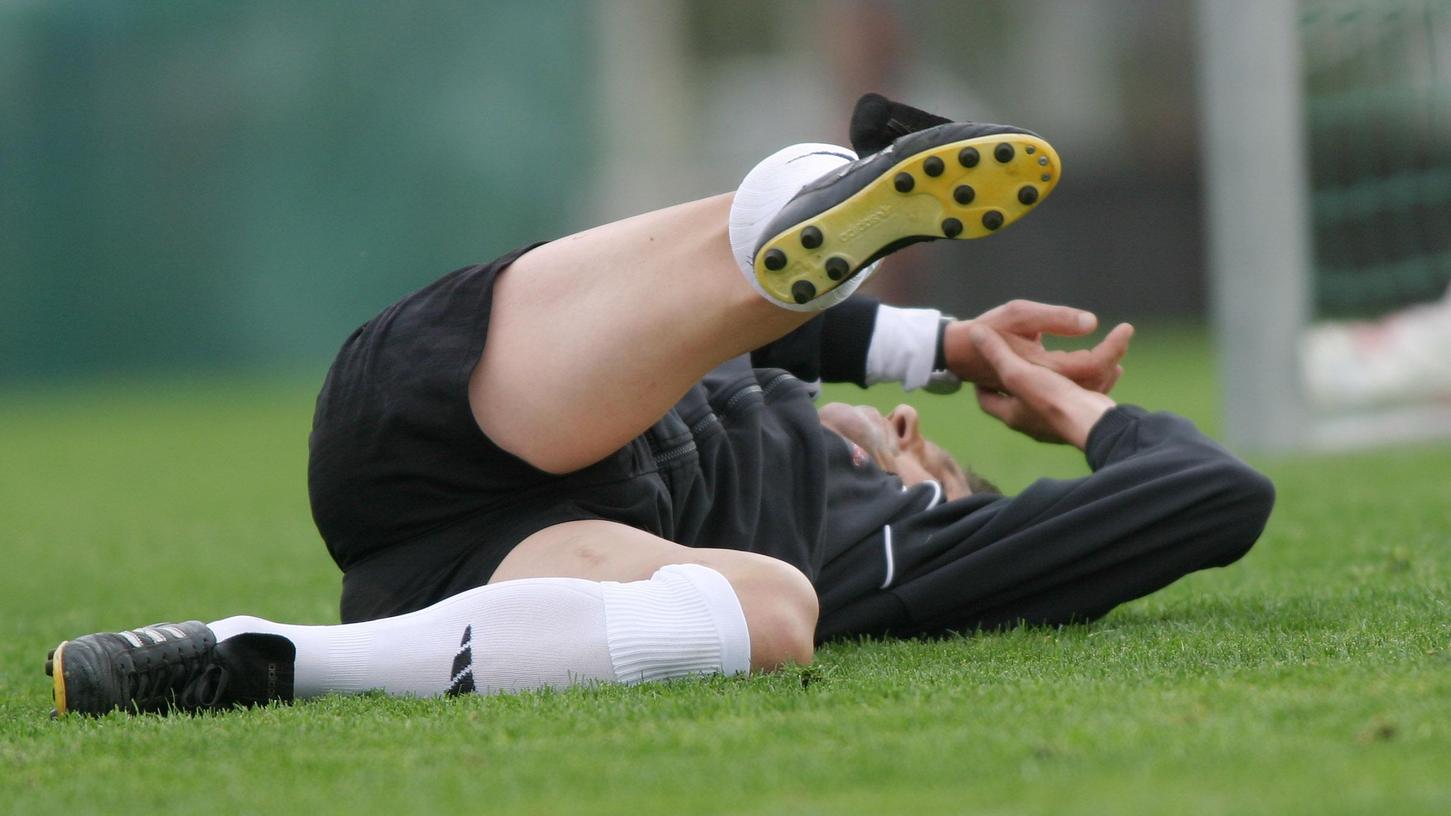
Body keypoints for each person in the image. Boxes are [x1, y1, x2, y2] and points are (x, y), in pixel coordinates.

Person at [45, 95, 1274, 716]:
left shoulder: (912, 554)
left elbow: (1214, 498)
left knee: (774, 610)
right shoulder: (752, 372)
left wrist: (1063, 411)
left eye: (938, 470)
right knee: (707, 318)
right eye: (925, 434)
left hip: (477, 576)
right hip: (470, 402)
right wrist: (948, 345)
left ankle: (261, 658)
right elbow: (782, 337)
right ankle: (795, 207)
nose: (912, 441)